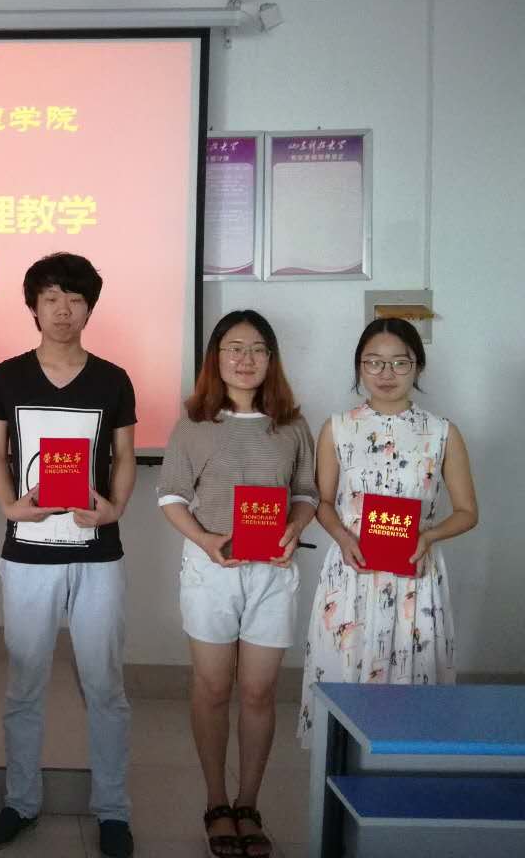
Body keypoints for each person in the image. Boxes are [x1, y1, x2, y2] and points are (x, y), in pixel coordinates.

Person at [0, 253, 136, 858]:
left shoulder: (112, 379)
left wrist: (114, 509)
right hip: (28, 553)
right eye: (50, 298)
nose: (63, 310)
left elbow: (125, 457)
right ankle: (21, 801)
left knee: (105, 686)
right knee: (24, 684)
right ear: (34, 307)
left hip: (97, 553)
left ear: (89, 307)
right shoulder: (8, 376)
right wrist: (8, 506)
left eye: (74, 299)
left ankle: (112, 810)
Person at [158, 310, 316, 858]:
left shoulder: (291, 425)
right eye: (234, 348)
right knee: (212, 689)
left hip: (273, 572)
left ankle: (249, 804)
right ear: (216, 358)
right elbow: (171, 496)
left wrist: (295, 529)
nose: (245, 360)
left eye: (257, 350)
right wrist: (205, 540)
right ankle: (216, 801)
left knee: (259, 691)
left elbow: (306, 492)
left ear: (271, 359)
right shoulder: (194, 423)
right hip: (212, 570)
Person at [298, 318, 478, 746]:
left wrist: (428, 537)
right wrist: (343, 538)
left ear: (418, 366)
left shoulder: (442, 432)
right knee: (346, 676)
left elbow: (467, 512)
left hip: (415, 573)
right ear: (359, 367)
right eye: (374, 362)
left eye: (400, 362)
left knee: (414, 689)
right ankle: (338, 765)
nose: (386, 373)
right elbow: (323, 501)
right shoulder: (337, 428)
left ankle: (408, 768)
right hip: (352, 571)